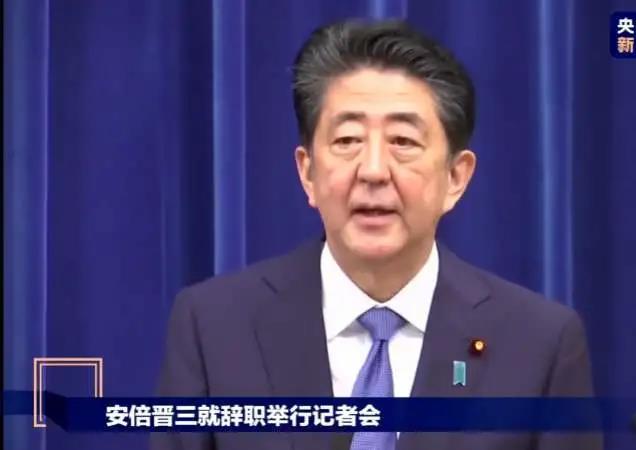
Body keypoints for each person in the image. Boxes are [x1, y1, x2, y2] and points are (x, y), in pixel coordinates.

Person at [153, 18, 601, 450]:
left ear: (456, 177)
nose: (372, 170)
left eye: (403, 142)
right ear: (308, 173)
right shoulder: (214, 327)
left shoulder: (539, 344)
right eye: (347, 140)